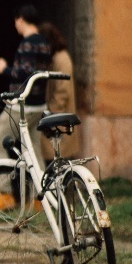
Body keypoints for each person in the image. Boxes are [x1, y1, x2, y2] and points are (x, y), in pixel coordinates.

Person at [0, 4, 52, 211]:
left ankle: (5, 194)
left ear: (20, 20)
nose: (15, 25)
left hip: (21, 107)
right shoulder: (44, 42)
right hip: (38, 105)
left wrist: (3, 68)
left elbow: (26, 74)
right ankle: (41, 199)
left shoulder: (27, 44)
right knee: (33, 152)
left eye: (16, 21)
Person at [39, 21, 80, 162]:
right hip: (58, 119)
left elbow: (63, 91)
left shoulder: (62, 59)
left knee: (58, 159)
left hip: (59, 119)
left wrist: (51, 113)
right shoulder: (57, 58)